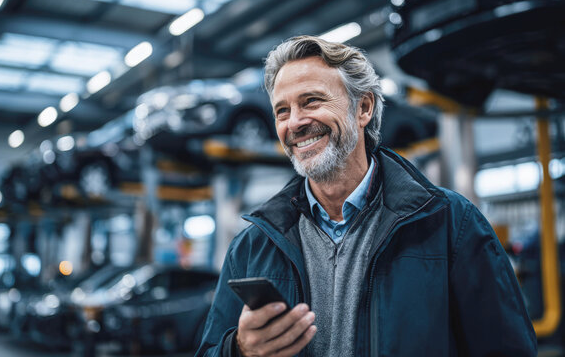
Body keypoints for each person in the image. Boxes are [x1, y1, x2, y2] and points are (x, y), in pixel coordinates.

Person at [196, 35, 536, 356]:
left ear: (364, 109)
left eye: (311, 101)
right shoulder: (253, 245)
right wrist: (239, 349)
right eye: (282, 111)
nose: (295, 123)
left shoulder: (451, 224)